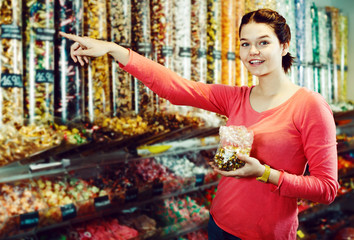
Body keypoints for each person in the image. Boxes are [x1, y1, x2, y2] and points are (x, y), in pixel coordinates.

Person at [60, 8, 339, 240]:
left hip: (268, 234)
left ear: (284, 45)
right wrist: (112, 49)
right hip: (219, 225)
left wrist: (265, 173)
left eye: (264, 42)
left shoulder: (310, 106)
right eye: (245, 43)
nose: (253, 51)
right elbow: (175, 88)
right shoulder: (235, 98)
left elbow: (326, 189)